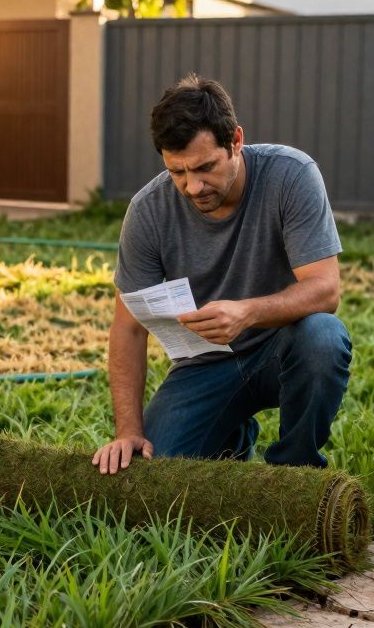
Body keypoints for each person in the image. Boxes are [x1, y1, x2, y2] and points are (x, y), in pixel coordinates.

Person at [91, 73, 351, 474]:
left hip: (282, 348)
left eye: (205, 167)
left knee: (324, 337)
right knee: (156, 469)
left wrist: (246, 312)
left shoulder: (292, 175)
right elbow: (128, 327)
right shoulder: (148, 211)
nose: (193, 187)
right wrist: (128, 430)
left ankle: (294, 471)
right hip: (205, 364)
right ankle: (233, 436)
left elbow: (326, 290)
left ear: (236, 142)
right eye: (177, 172)